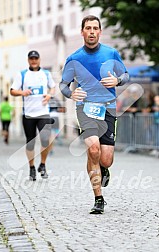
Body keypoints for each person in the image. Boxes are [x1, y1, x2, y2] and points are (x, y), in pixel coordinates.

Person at [59, 15, 129, 214]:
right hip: (85, 108)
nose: (91, 31)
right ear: (82, 32)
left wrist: (117, 82)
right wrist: (71, 93)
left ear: (100, 31)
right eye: (87, 28)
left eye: (95, 28)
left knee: (106, 159)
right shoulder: (74, 58)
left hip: (107, 108)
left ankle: (102, 168)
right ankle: (98, 198)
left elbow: (125, 75)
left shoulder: (111, 53)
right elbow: (63, 85)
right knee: (93, 150)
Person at [10, 50, 55, 181]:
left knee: (47, 139)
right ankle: (31, 168)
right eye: (31, 58)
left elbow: (52, 87)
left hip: (43, 112)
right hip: (28, 114)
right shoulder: (22, 74)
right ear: (28, 60)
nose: (34, 60)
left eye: (36, 58)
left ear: (39, 59)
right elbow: (12, 91)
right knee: (30, 142)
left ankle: (43, 164)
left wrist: (49, 95)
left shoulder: (46, 74)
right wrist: (22, 93)